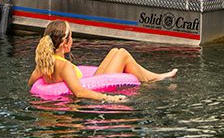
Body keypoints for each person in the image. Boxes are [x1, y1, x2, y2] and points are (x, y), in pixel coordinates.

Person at [28, 19, 177, 102]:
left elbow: (31, 84)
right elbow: (79, 92)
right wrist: (109, 98)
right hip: (94, 87)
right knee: (122, 54)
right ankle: (153, 78)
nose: (73, 40)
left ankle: (153, 76)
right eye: (71, 37)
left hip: (90, 79)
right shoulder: (64, 66)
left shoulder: (44, 62)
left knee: (115, 52)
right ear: (64, 44)